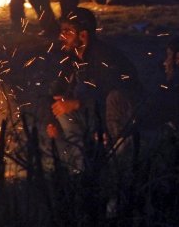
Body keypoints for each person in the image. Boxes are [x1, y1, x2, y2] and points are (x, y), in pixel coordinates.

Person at [47, 9, 143, 155]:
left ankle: (116, 157)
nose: (61, 36)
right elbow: (58, 91)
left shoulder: (105, 57)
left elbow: (114, 96)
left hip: (118, 117)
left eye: (67, 32)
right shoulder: (72, 57)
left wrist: (77, 103)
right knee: (62, 107)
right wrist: (52, 120)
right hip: (92, 112)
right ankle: (79, 166)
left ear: (83, 35)